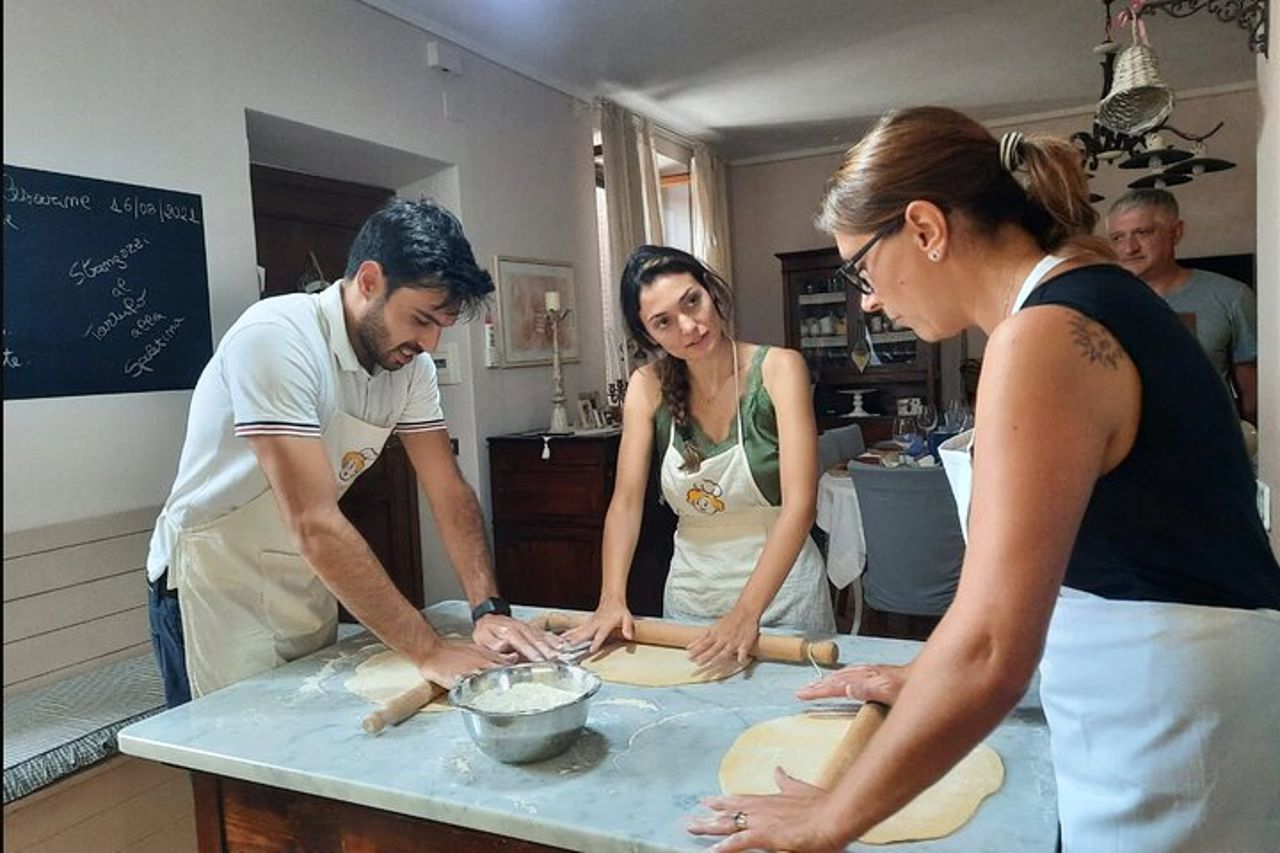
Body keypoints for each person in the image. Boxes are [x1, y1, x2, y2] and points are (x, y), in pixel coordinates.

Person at [687, 108, 1280, 852]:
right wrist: (922, 679)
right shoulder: (1088, 294)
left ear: (926, 228)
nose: (867, 299)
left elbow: (993, 643)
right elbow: (1026, 591)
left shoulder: (1042, 337)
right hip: (1162, 689)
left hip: (1172, 718)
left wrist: (827, 817)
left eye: (862, 267)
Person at [147, 198, 559, 707]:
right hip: (215, 580)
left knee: (308, 748)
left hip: (304, 575)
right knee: (237, 766)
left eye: (440, 327)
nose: (428, 343)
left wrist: (488, 609)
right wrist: (429, 650)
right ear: (368, 281)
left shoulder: (410, 369)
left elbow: (448, 491)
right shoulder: (276, 338)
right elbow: (314, 521)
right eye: (420, 319)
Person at [566, 245, 835, 668]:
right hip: (692, 601)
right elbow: (626, 501)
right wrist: (611, 599)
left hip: (784, 598)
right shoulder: (647, 386)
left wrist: (747, 613)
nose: (689, 326)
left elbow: (800, 505)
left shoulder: (780, 369)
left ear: (711, 290)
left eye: (692, 301)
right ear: (648, 335)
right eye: (664, 322)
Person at [1106, 188, 1258, 423]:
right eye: (1118, 237)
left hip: (1211, 448)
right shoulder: (1099, 304)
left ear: (1176, 233)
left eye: (1143, 233)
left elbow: (1253, 397)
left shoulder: (1231, 296)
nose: (1129, 248)